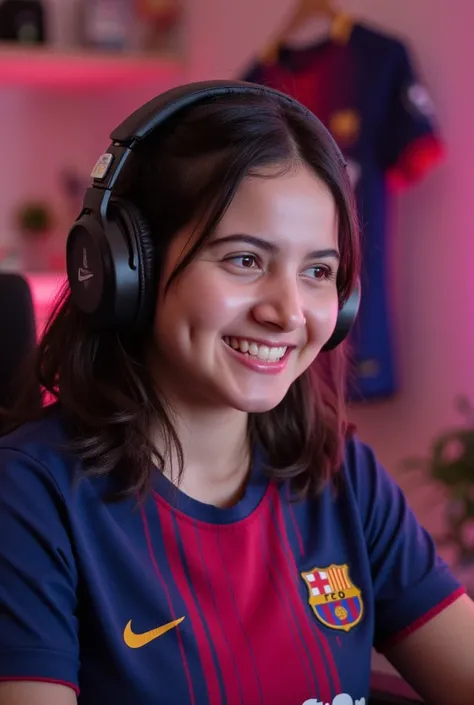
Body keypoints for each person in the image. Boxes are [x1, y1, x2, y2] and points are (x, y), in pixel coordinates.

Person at [0, 80, 472, 705]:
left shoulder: (341, 476)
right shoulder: (31, 496)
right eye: (245, 260)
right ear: (123, 270)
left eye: (318, 272)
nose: (289, 312)